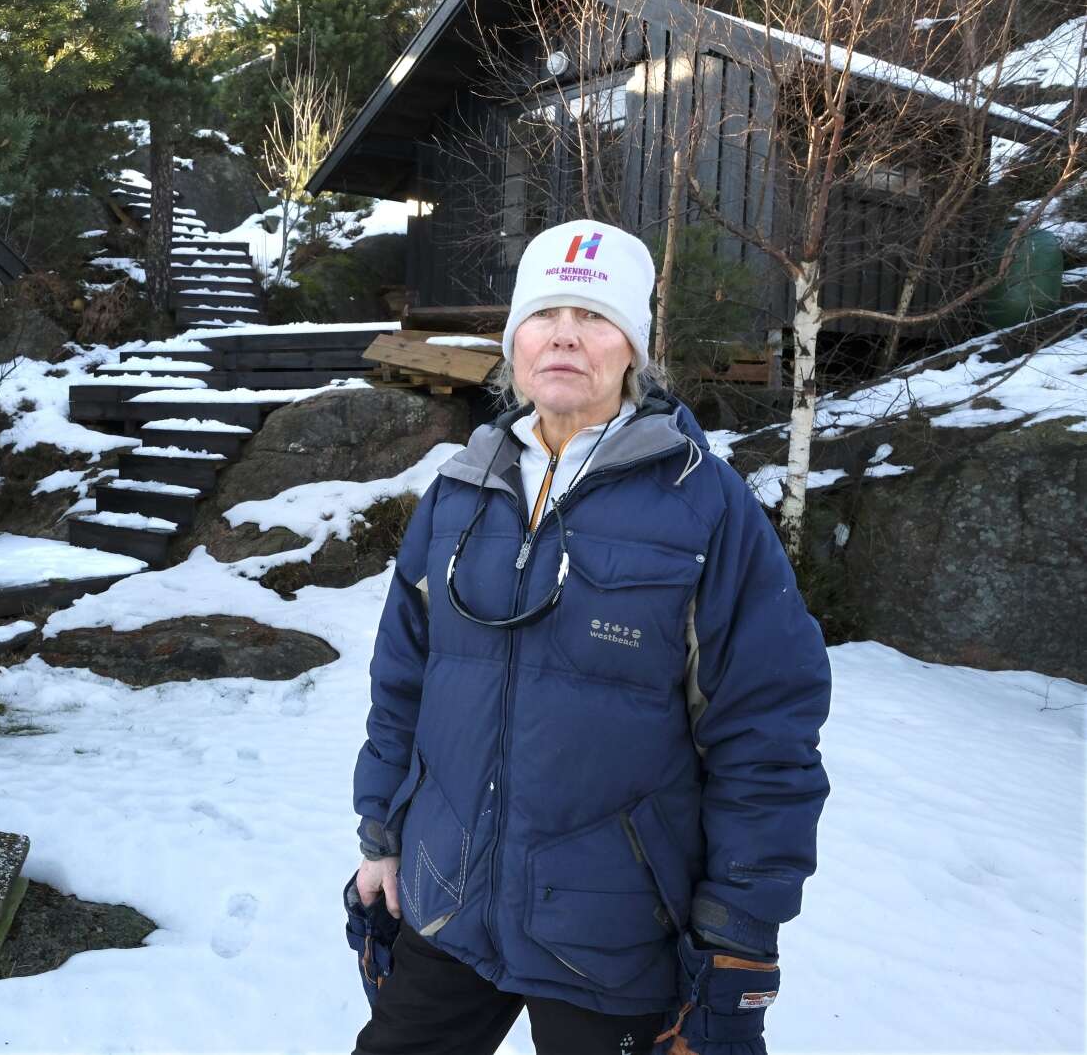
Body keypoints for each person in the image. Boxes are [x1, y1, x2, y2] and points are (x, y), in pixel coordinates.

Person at [350, 220, 830, 1055]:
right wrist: (380, 834)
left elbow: (766, 726)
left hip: (615, 928)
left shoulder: (703, 503)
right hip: (445, 896)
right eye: (543, 313)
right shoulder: (458, 491)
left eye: (594, 316)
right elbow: (402, 681)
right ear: (514, 342)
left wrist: (739, 922)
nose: (564, 334)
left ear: (632, 349)